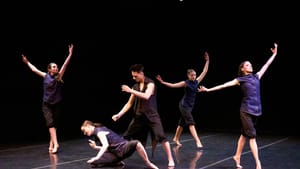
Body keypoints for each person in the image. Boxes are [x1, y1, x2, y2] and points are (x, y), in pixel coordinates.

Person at [199, 43, 278, 169]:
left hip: (257, 111)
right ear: (242, 69)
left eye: (250, 64)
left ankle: (236, 156)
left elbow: (266, 65)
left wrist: (274, 54)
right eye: (247, 65)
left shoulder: (257, 76)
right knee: (252, 136)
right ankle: (258, 163)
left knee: (244, 135)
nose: (250, 65)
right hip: (246, 111)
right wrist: (208, 90)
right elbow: (224, 85)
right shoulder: (240, 80)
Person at [112, 64, 175, 167]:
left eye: (135, 76)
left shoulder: (150, 84)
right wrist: (119, 114)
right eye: (132, 76)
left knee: (161, 136)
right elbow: (129, 103)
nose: (133, 78)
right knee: (126, 137)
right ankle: (117, 158)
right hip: (139, 116)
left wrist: (130, 90)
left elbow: (146, 96)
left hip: (152, 116)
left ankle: (170, 159)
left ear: (141, 73)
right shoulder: (135, 86)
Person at [21, 44, 74, 154]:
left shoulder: (59, 76)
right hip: (46, 104)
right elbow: (34, 70)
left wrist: (70, 54)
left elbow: (65, 65)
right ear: (49, 69)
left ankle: (51, 143)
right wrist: (27, 62)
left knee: (54, 124)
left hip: (57, 104)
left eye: (56, 66)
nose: (56, 68)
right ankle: (56, 144)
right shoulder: (45, 76)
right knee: (50, 123)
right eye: (54, 67)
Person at [156, 51, 209, 148]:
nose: (194, 76)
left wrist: (207, 61)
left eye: (195, 75)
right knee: (191, 122)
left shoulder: (197, 82)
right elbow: (173, 85)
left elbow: (204, 71)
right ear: (188, 75)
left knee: (182, 123)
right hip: (184, 105)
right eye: (192, 75)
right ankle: (198, 141)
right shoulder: (185, 83)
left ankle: (175, 138)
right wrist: (163, 82)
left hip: (189, 106)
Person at [81, 120, 159, 169]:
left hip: (123, 148)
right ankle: (117, 161)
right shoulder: (98, 131)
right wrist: (95, 147)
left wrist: (97, 157)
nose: (85, 133)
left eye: (84, 130)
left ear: (89, 126)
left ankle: (148, 163)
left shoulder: (99, 132)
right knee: (93, 163)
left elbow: (105, 145)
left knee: (136, 143)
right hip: (115, 153)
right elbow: (109, 147)